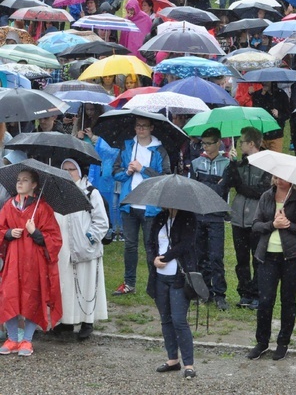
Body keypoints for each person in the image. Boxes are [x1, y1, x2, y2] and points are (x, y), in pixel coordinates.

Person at [247, 176, 296, 361]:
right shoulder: (266, 196)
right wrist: (272, 224)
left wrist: (287, 224)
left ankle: (283, 343)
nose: (277, 180)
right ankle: (262, 342)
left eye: (282, 177)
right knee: (265, 300)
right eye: (275, 176)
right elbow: (255, 225)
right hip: (267, 256)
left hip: (292, 257)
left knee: (288, 300)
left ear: (291, 180)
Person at [0, 168, 62, 356]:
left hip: (34, 261)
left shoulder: (42, 208)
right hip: (13, 259)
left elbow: (56, 238)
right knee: (8, 296)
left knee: (32, 297)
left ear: (34, 185)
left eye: (25, 180)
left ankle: (27, 340)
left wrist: (36, 233)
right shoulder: (9, 206)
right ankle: (12, 338)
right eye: (18, 180)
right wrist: (8, 234)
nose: (19, 183)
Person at [112, 116, 172, 296]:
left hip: (150, 205)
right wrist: (127, 171)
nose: (141, 129)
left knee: (150, 246)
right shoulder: (127, 146)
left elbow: (165, 176)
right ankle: (129, 283)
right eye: (138, 126)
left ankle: (154, 285)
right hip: (129, 204)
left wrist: (143, 169)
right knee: (130, 245)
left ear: (151, 128)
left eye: (145, 126)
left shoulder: (159, 150)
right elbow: (116, 172)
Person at [55, 159, 109, 340]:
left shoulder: (91, 192)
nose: (69, 172)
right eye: (65, 169)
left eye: (72, 169)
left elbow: (101, 221)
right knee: (67, 285)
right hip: (63, 248)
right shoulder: (58, 192)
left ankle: (87, 322)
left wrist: (90, 239)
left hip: (85, 247)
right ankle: (67, 321)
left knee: (87, 286)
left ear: (80, 171)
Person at [222, 127, 272, 309]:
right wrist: (232, 164)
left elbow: (262, 191)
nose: (239, 144)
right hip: (238, 218)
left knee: (257, 259)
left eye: (241, 141)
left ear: (251, 143)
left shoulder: (267, 163)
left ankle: (258, 293)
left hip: (257, 219)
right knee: (241, 259)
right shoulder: (239, 163)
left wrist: (241, 186)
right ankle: (244, 293)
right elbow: (228, 182)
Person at [145, 207, 197, 379]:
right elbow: (150, 242)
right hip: (160, 277)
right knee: (165, 319)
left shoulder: (188, 217)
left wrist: (165, 258)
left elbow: (185, 244)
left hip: (178, 276)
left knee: (179, 319)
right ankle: (173, 359)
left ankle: (189, 363)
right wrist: (153, 259)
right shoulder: (160, 217)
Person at [190, 128, 230, 311]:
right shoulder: (196, 163)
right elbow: (192, 189)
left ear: (218, 143)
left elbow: (226, 189)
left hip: (216, 215)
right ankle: (204, 292)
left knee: (216, 257)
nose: (205, 147)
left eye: (208, 143)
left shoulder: (227, 163)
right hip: (198, 214)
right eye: (203, 143)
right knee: (201, 256)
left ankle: (220, 294)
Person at [251, 82, 290, 153]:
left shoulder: (281, 94)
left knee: (275, 159)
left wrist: (279, 115)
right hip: (261, 133)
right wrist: (262, 95)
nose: (264, 83)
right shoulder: (257, 94)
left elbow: (287, 113)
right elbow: (255, 110)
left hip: (276, 134)